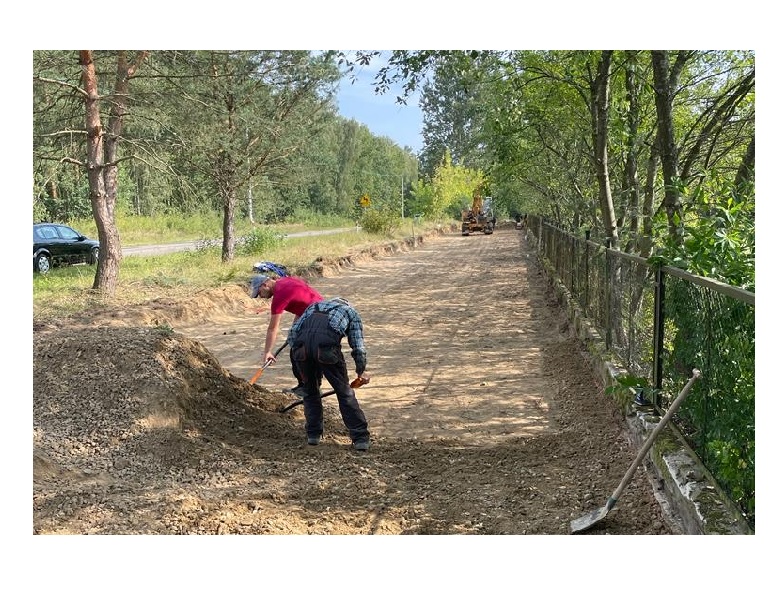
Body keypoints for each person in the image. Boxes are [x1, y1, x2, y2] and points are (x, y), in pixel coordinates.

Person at [287, 297, 371, 451]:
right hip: (326, 351)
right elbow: (358, 347)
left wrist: (300, 359)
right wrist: (361, 370)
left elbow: (292, 333)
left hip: (301, 350)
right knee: (344, 393)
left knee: (310, 391)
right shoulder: (350, 312)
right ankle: (360, 439)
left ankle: (313, 435)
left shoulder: (313, 307)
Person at [249, 274, 323, 397]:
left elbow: (273, 328)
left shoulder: (279, 296)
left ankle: (310, 388)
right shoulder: (285, 281)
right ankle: (306, 386)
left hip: (317, 317)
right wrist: (295, 329)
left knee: (298, 351)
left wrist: (268, 352)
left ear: (265, 285)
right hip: (319, 311)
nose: (260, 296)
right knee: (298, 348)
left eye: (259, 292)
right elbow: (304, 303)